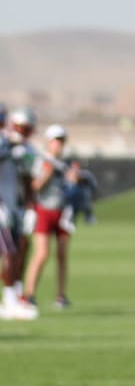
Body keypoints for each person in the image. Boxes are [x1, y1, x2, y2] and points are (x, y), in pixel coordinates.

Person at [21, 125, 75, 309]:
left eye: (61, 141)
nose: (58, 145)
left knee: (62, 254)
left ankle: (61, 295)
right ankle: (29, 294)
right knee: (42, 254)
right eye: (55, 141)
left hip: (63, 212)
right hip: (44, 210)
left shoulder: (67, 162)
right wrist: (47, 175)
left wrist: (75, 180)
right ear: (48, 142)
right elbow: (34, 186)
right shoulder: (40, 160)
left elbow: (71, 187)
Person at [0, 107, 39, 320]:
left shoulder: (24, 150)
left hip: (15, 208)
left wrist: (30, 209)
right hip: (2, 208)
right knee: (10, 253)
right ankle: (9, 301)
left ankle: (14, 296)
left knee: (19, 251)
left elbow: (27, 182)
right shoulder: (4, 144)